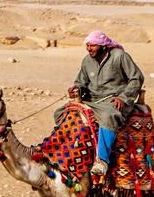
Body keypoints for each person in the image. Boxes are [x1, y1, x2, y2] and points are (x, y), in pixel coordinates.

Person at [61, 30, 145, 176]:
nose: (89, 49)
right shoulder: (87, 61)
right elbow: (81, 81)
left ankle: (102, 161)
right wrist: (76, 88)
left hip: (114, 100)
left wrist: (124, 98)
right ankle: (65, 153)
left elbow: (136, 78)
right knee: (62, 111)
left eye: (92, 46)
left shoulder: (119, 57)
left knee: (108, 115)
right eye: (87, 45)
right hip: (93, 100)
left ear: (103, 46)